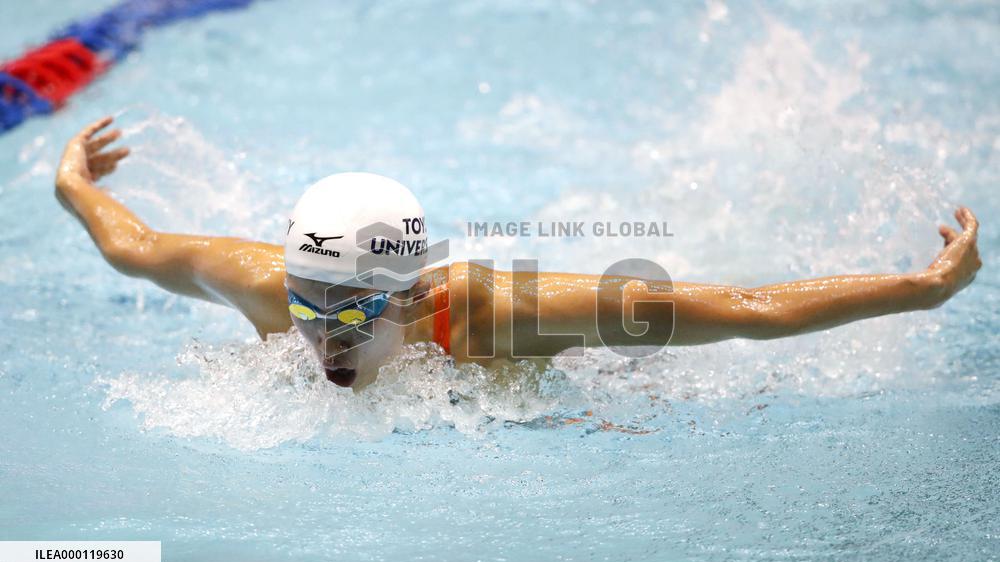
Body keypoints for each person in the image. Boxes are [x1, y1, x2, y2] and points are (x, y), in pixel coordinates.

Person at [55, 117, 983, 388]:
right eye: (307, 305)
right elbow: (132, 246)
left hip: (582, 383)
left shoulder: (494, 311)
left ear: (409, 293)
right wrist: (75, 182)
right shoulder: (271, 290)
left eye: (349, 311)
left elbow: (746, 309)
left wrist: (919, 288)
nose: (321, 339)